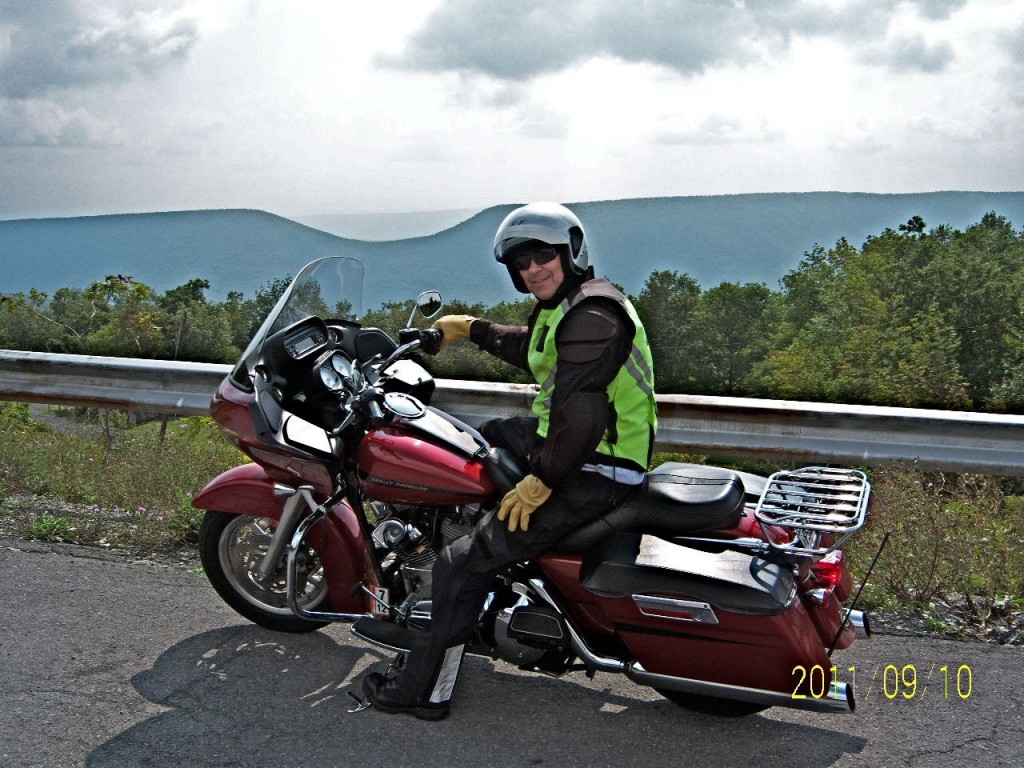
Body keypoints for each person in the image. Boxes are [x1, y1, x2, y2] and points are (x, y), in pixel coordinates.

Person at [362, 201, 657, 720]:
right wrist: (468, 328)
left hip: (597, 467)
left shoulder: (594, 315)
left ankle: (420, 691)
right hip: (571, 447)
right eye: (521, 263)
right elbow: (533, 348)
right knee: (472, 439)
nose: (532, 269)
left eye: (543, 255)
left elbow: (581, 418)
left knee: (461, 563)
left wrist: (542, 481)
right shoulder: (565, 309)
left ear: (571, 253)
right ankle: (474, 555)